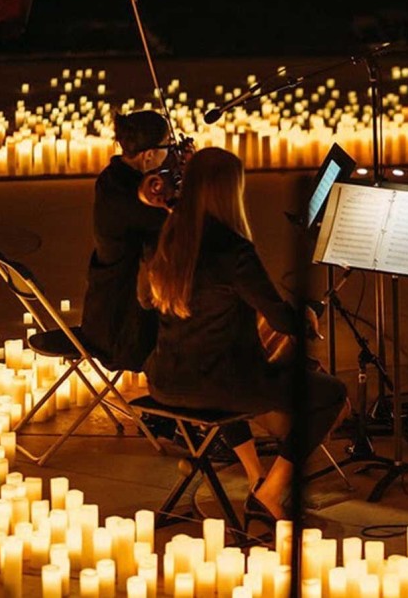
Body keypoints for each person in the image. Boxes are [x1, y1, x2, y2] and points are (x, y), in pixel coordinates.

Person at [141, 147, 348, 524]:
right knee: (330, 393)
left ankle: (255, 474)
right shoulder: (233, 250)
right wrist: (304, 315)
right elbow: (283, 322)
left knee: (220, 362)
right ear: (229, 192)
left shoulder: (169, 235)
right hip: (219, 387)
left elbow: (148, 299)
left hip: (165, 380)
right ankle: (271, 492)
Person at [80, 111, 174, 373]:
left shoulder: (115, 177)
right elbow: (173, 221)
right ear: (148, 155)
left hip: (103, 310)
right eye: (167, 147)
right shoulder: (131, 196)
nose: (171, 152)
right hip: (121, 327)